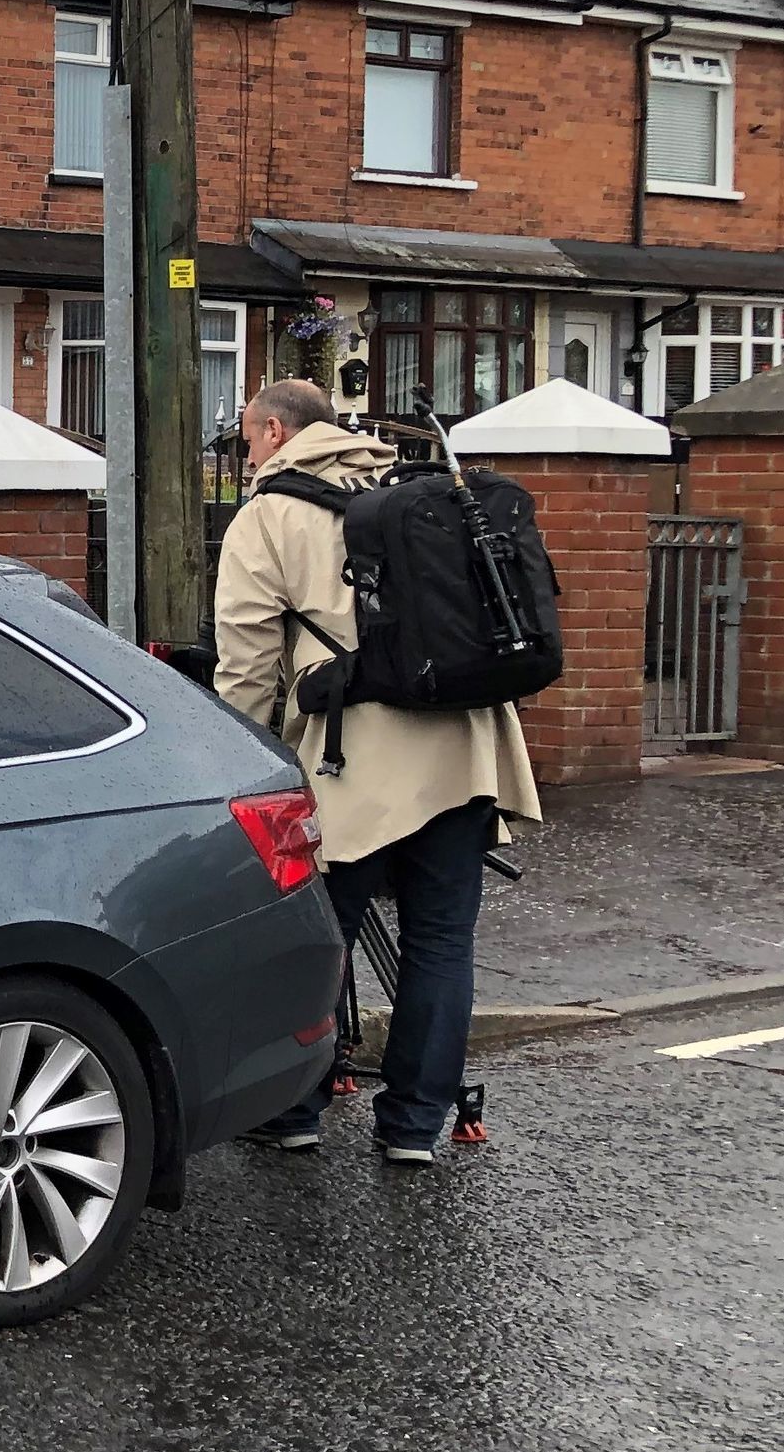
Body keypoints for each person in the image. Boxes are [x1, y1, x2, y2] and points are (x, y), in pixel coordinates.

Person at [213, 378, 541, 1160]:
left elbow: (247, 660)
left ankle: (294, 1108)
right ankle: (413, 1127)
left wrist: (240, 762)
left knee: (319, 937)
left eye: (247, 437)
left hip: (349, 758)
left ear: (269, 430)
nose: (246, 450)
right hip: (467, 750)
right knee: (440, 941)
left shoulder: (269, 514)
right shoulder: (419, 487)